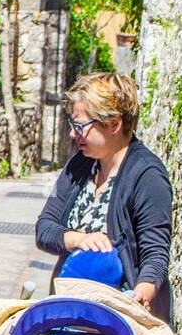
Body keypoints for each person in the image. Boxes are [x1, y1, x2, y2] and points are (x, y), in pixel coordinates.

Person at [36, 72, 173, 322]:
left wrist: (140, 296)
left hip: (119, 323)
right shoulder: (79, 165)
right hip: (71, 315)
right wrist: (79, 239)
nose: (72, 134)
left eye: (80, 127)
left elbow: (155, 255)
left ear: (113, 124)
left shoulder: (147, 175)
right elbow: (44, 229)